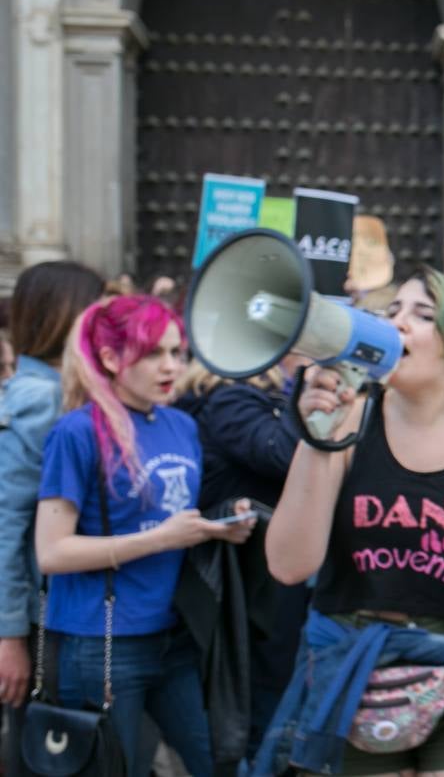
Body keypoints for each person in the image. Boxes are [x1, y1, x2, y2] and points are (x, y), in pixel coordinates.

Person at [256, 268, 444, 776]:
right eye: (391, 312)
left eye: (421, 315)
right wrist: (318, 438)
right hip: (354, 671)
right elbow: (289, 566)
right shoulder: (345, 424)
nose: (399, 323)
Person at [34, 295, 254, 777]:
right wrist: (162, 539)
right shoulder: (77, 433)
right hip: (99, 643)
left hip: (172, 637)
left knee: (220, 763)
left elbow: (172, 516)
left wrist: (219, 526)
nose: (171, 366)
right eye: (153, 353)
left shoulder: (180, 425)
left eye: (177, 352)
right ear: (111, 359)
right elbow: (51, 552)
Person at [175, 358, 305, 760]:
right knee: (256, 704)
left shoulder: (241, 399)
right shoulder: (231, 399)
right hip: (249, 587)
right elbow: (283, 454)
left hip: (258, 583)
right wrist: (307, 398)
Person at [0, 263, 104, 725]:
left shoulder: (43, 390)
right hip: (37, 617)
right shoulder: (42, 398)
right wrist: (10, 636)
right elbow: (7, 520)